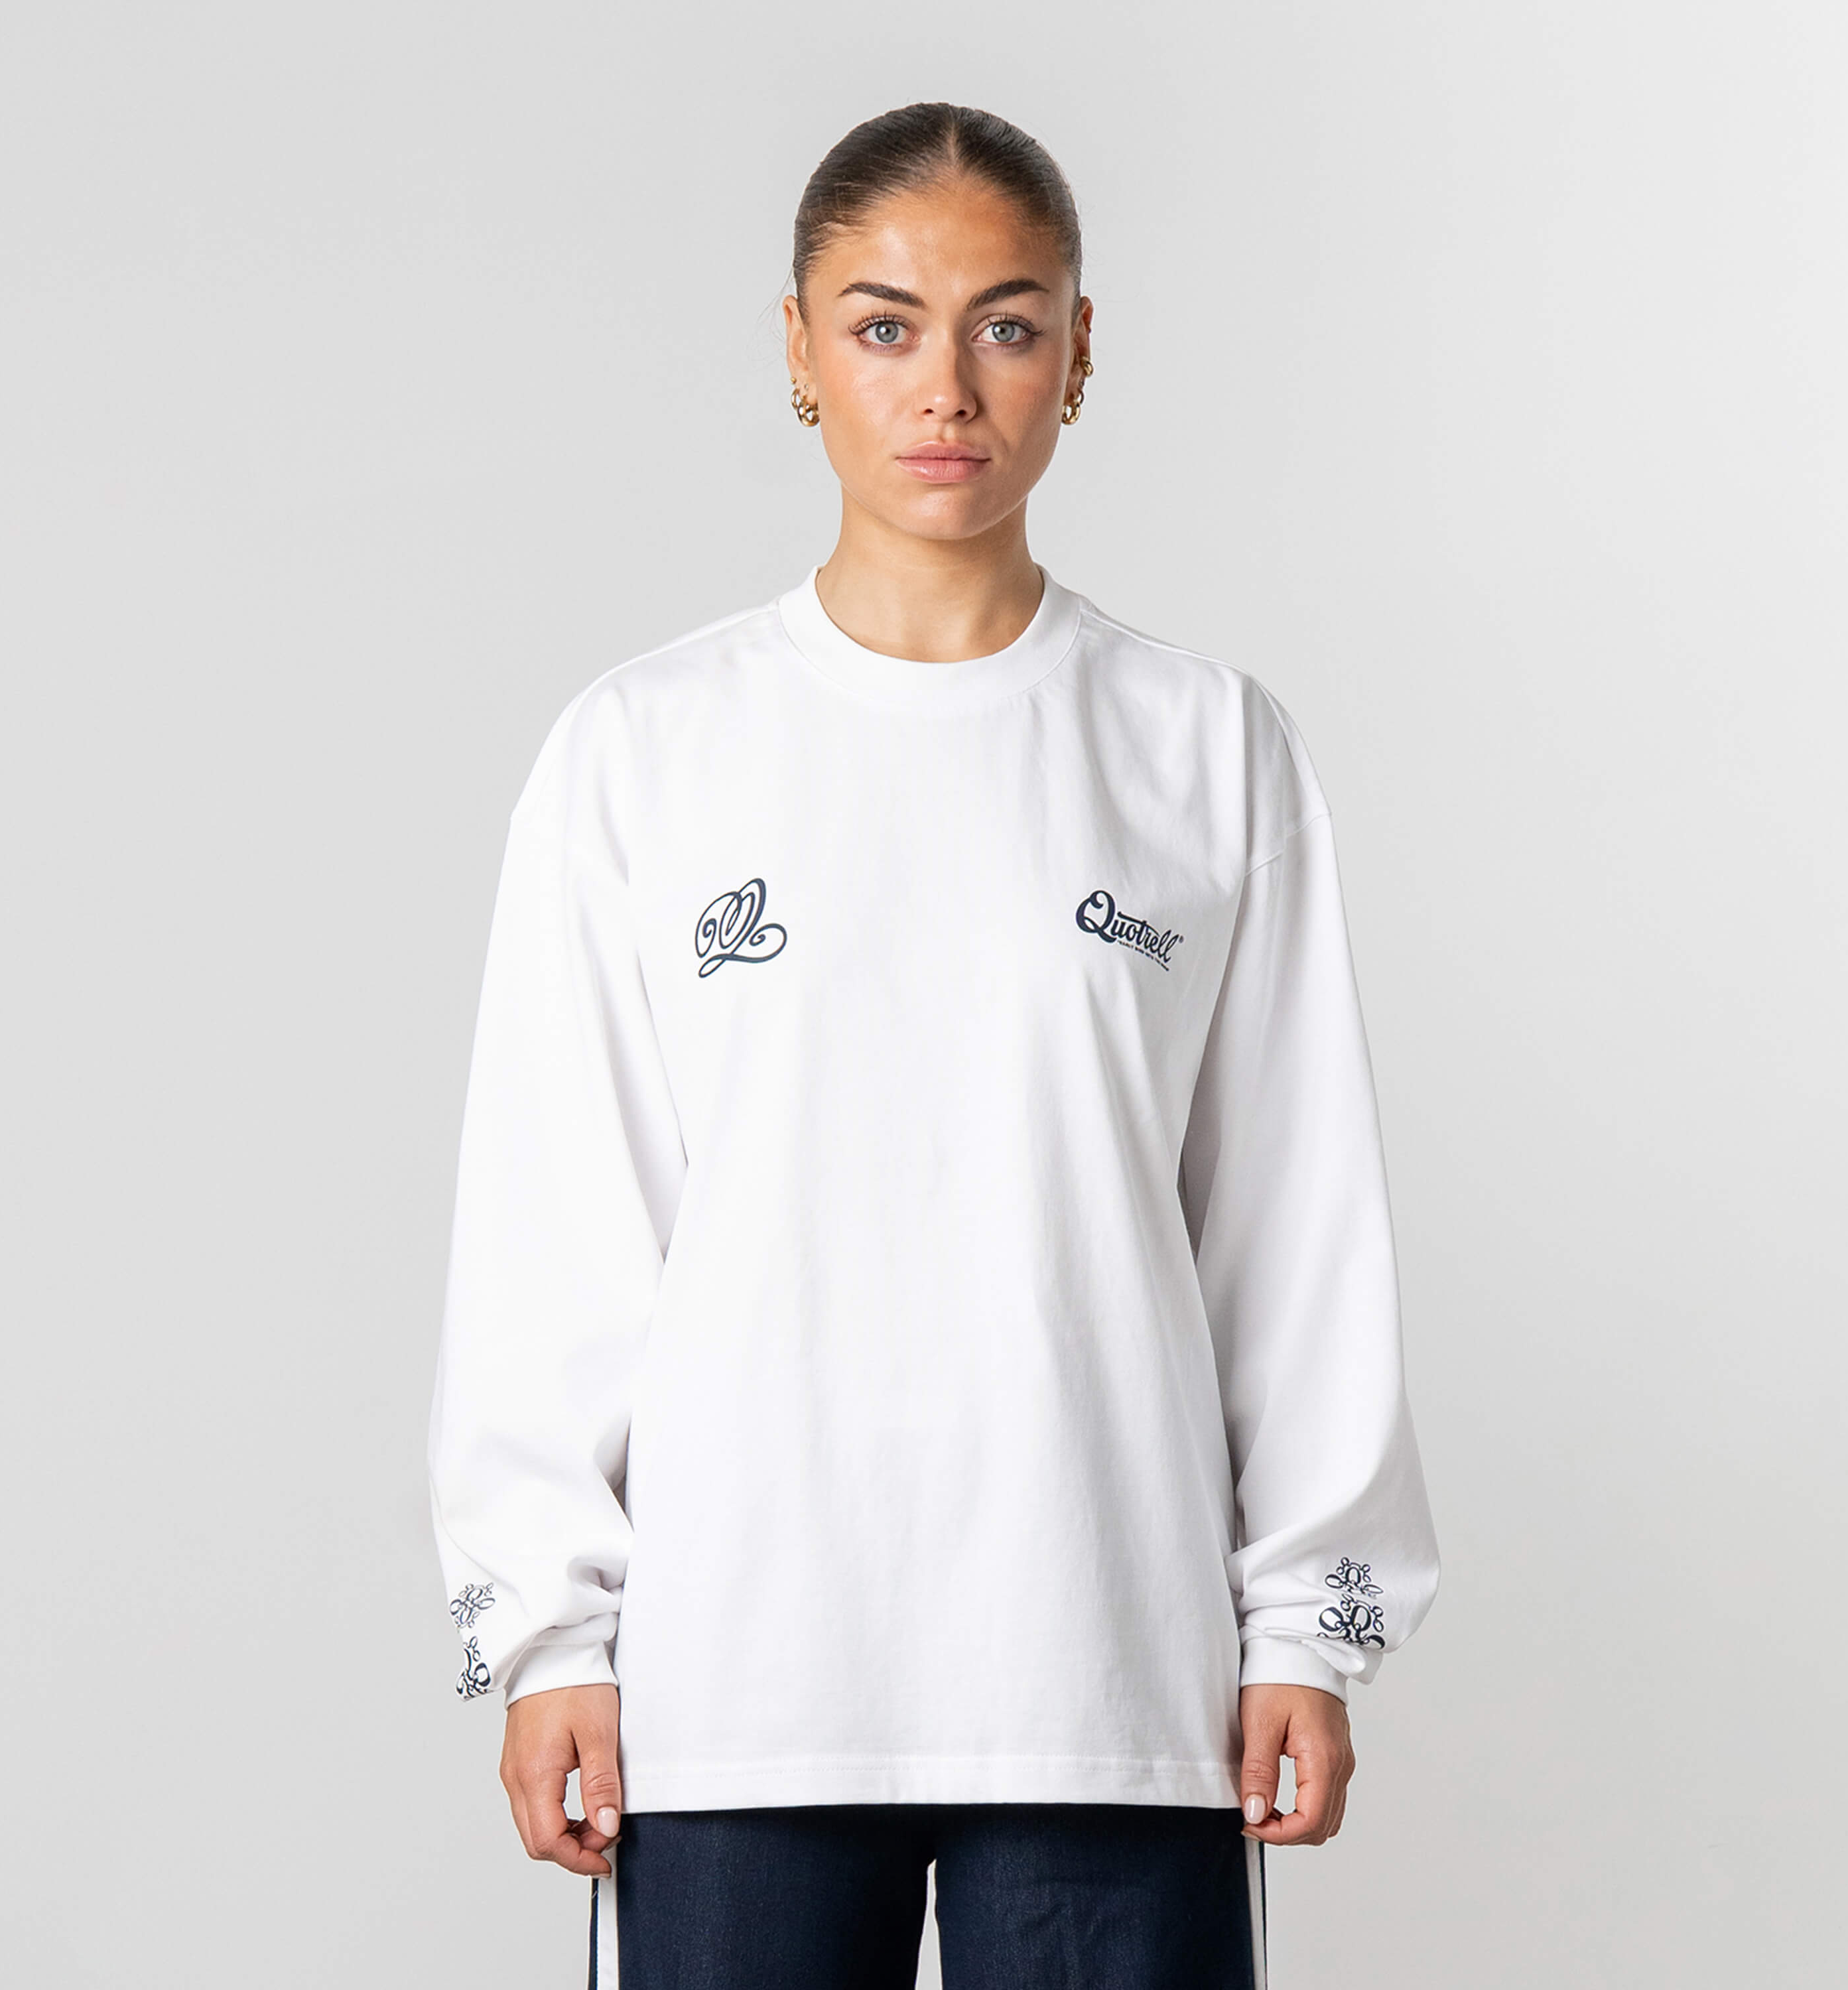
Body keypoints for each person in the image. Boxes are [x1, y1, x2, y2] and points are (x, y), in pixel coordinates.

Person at [427, 100, 1441, 1990]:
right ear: (800, 351)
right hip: (736, 1692)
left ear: (1079, 352)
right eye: (884, 323)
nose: (947, 387)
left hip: (1108, 1676)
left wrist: (1309, 1622)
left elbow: (1295, 1228)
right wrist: (551, 1634)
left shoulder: (1202, 747)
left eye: (1008, 323)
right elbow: (559, 1222)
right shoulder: (644, 751)